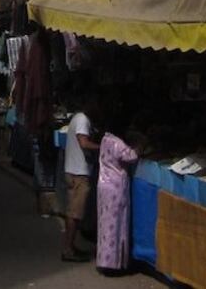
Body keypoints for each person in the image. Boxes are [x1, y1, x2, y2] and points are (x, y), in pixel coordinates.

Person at [96, 130, 144, 272]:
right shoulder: (117, 143)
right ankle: (113, 264)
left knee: (105, 226)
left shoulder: (105, 139)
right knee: (116, 226)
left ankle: (104, 260)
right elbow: (132, 156)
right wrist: (140, 146)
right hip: (116, 188)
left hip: (104, 185)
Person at [61, 100, 100, 262]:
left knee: (73, 212)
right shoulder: (83, 120)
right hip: (79, 173)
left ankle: (70, 247)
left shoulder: (77, 118)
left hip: (72, 170)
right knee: (75, 213)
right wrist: (103, 146)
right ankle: (68, 249)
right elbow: (84, 143)